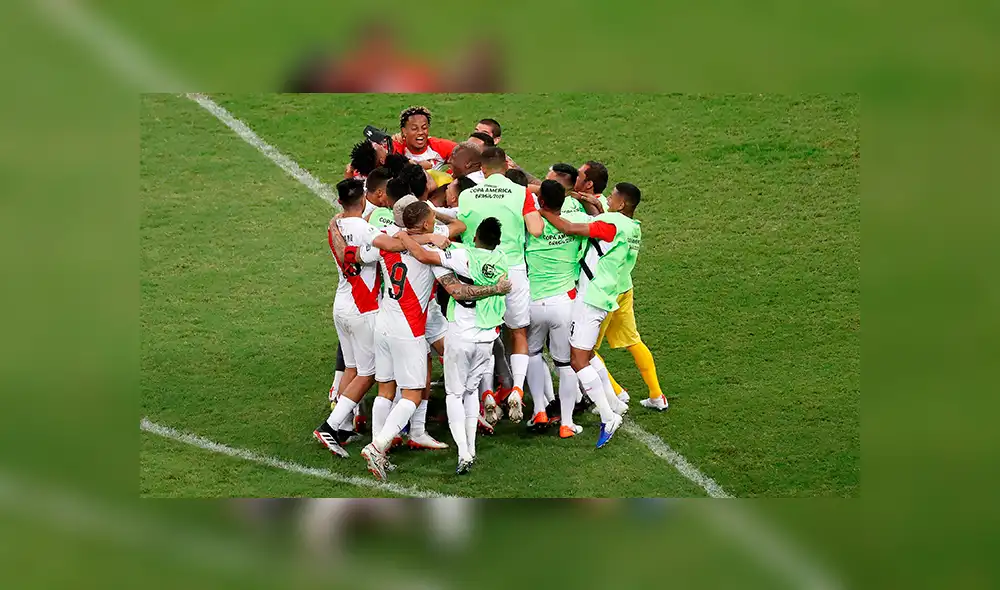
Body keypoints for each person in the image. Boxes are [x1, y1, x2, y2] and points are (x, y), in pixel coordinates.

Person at [360, 201, 511, 480]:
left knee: (385, 389)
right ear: (427, 224)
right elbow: (456, 290)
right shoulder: (431, 251)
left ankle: (381, 452)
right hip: (409, 329)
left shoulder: (388, 238)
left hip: (383, 323)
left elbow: (369, 250)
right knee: (413, 394)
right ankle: (377, 446)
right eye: (432, 219)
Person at [313, 179, 446, 457]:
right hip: (366, 309)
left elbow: (351, 254)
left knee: (356, 370)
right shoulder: (368, 230)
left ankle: (347, 428)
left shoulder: (337, 225)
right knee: (370, 374)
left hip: (342, 305)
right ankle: (334, 427)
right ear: (363, 199)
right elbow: (394, 245)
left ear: (339, 201)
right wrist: (429, 238)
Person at [396, 217, 509, 474]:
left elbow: (423, 255)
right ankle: (471, 448)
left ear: (476, 236)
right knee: (471, 392)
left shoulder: (462, 256)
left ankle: (463, 452)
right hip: (487, 338)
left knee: (454, 395)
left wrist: (403, 236)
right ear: (497, 242)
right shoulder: (502, 259)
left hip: (461, 336)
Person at [538, 182, 643, 448]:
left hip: (591, 298)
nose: (608, 198)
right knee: (589, 354)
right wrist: (596, 207)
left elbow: (569, 228)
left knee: (578, 360)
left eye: (613, 197)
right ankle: (615, 404)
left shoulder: (611, 225)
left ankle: (608, 417)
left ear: (622, 204)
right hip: (604, 294)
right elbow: (605, 231)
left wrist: (543, 212)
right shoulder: (631, 227)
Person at [524, 180, 620, 437]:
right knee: (566, 364)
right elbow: (600, 222)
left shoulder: (531, 221)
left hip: (533, 301)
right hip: (565, 303)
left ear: (541, 201)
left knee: (532, 355)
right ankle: (566, 423)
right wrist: (593, 202)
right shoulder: (576, 219)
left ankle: (539, 410)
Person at [457, 147, 544, 424]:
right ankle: (517, 388)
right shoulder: (521, 193)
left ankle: (486, 395)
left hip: (480, 268)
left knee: (486, 333)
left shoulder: (467, 195)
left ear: (482, 169)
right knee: (518, 332)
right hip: (513, 268)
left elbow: (461, 227)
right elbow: (536, 229)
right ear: (506, 167)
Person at [391, 106, 458, 170]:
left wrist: (451, 175)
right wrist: (419, 166)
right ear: (404, 131)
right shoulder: (396, 148)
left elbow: (463, 153)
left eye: (424, 128)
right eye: (414, 128)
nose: (420, 132)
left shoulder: (438, 146)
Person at [474, 118, 539, 183]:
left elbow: (536, 183)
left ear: (496, 140)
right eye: (476, 131)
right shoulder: (469, 154)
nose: (477, 135)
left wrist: (515, 170)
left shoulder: (502, 160)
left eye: (484, 133)